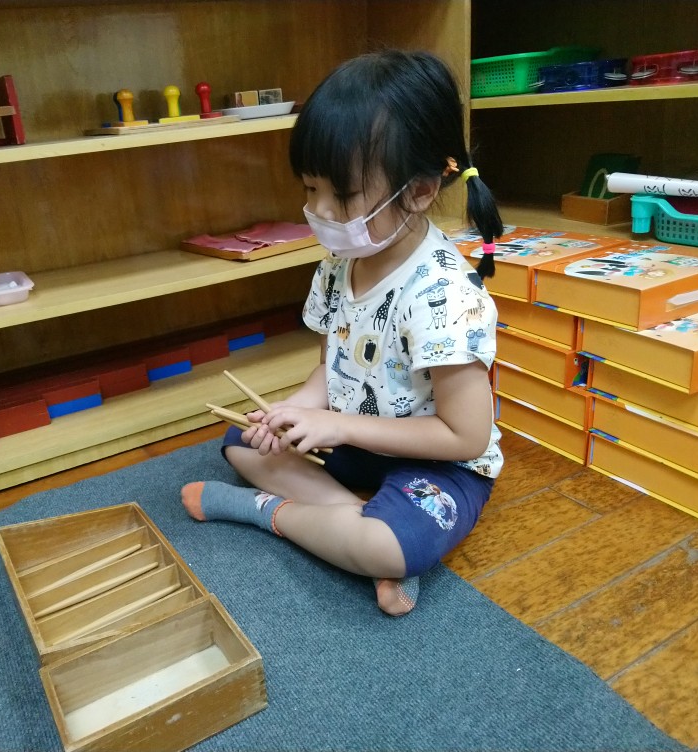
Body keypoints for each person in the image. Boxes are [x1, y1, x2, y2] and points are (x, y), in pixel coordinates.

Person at [181, 49, 505, 616]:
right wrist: (296, 410)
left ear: (420, 190)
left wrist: (336, 424)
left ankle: (267, 513)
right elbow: (333, 368)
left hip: (439, 464)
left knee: (387, 544)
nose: (322, 211)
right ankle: (356, 532)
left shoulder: (447, 295)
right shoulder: (337, 266)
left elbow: (465, 437)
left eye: (344, 195)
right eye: (311, 189)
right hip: (358, 443)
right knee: (244, 440)